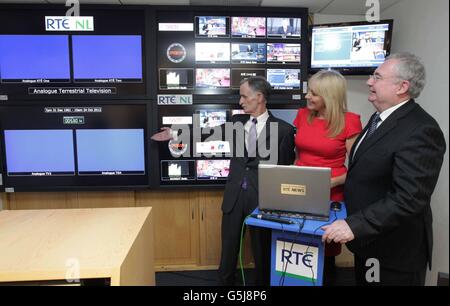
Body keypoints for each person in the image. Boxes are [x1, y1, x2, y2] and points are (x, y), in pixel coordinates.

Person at [152, 76, 295, 286]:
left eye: (244, 96)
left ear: (259, 97)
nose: (240, 101)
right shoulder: (237, 122)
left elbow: (284, 169)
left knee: (262, 252)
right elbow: (209, 133)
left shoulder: (283, 130)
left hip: (262, 201)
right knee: (228, 250)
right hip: (234, 197)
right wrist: (174, 133)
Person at [321, 52, 446, 286]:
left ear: (402, 87)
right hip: (368, 243)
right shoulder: (380, 118)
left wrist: (353, 224)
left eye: (377, 77)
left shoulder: (422, 130)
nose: (369, 82)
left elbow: (409, 198)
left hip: (394, 254)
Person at [293, 69, 362, 285]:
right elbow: (298, 154)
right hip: (301, 189)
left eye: (313, 93)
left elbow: (360, 168)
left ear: (329, 96)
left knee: (325, 250)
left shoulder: (349, 121)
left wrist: (332, 182)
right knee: (297, 245)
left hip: (331, 193)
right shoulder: (303, 115)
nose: (307, 96)